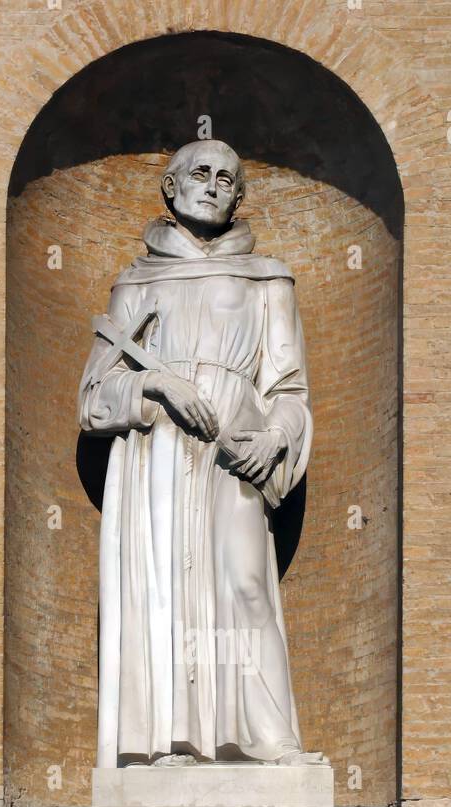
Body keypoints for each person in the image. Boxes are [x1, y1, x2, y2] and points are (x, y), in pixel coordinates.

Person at [79, 140, 325, 768]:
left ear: (239, 195)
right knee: (164, 587)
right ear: (171, 187)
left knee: (243, 584)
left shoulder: (267, 278)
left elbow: (289, 390)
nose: (212, 185)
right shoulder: (136, 283)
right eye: (199, 174)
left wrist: (274, 437)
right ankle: (169, 743)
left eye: (226, 178)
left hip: (233, 449)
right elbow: (93, 399)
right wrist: (156, 383)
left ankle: (266, 739)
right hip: (155, 451)